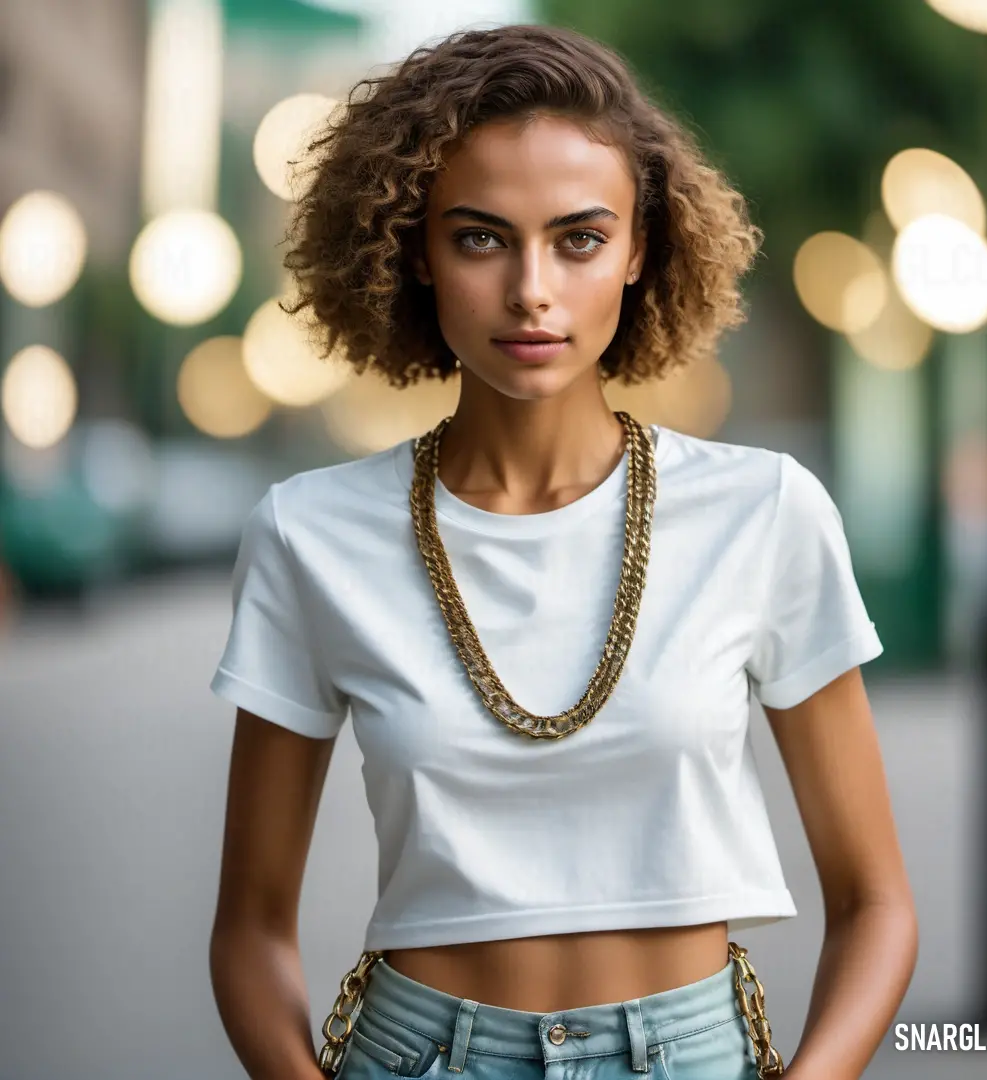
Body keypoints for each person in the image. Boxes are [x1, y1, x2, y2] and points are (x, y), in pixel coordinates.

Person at [208, 23, 918, 1080]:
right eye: (482, 237)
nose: (531, 288)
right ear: (415, 248)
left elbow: (876, 903)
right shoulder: (310, 535)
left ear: (641, 251)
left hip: (693, 1055)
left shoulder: (764, 512)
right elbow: (251, 930)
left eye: (579, 238)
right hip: (419, 1054)